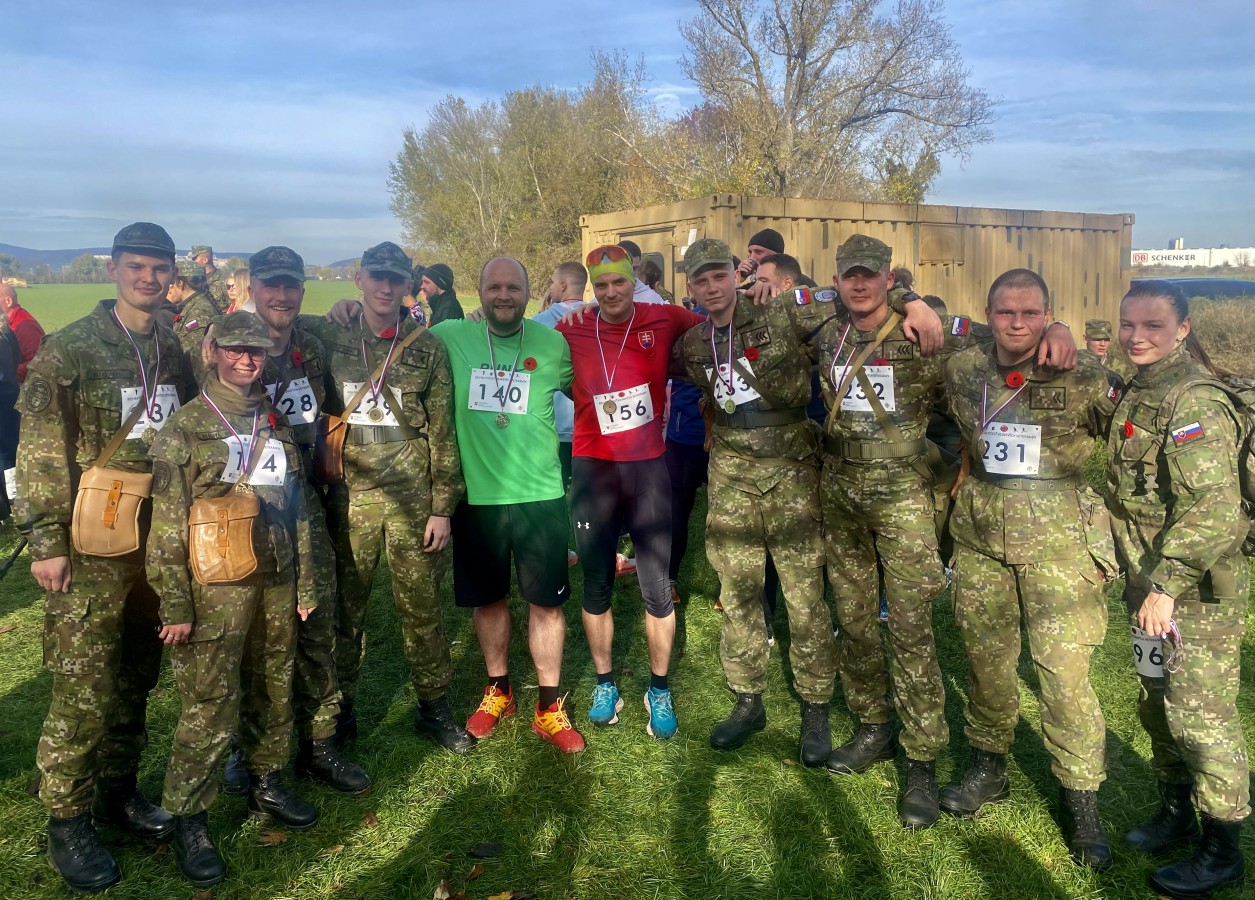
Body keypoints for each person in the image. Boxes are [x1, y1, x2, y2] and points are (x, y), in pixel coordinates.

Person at [819, 234, 1077, 829]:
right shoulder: (823, 324)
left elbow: (1010, 331)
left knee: (911, 630)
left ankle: (921, 760)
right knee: (855, 621)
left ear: (889, 279)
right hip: (841, 492)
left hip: (904, 498)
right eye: (850, 274)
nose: (859, 284)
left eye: (871, 275)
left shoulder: (930, 329)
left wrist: (1059, 326)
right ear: (836, 279)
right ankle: (873, 726)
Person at [15, 222, 197, 894]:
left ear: (172, 275)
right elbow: (39, 448)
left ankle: (119, 792)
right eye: (136, 266)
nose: (148, 278)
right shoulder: (71, 349)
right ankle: (67, 817)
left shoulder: (175, 347)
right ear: (114, 269)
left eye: (159, 268)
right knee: (83, 686)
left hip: (158, 541)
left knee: (137, 675)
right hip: (91, 544)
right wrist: (45, 541)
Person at [939, 269, 1117, 869]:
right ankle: (989, 767)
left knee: (1063, 675)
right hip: (981, 536)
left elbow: (1129, 435)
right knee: (986, 663)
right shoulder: (964, 367)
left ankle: (1081, 797)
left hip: (1059, 544)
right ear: (988, 313)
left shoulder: (1083, 374)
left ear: (1047, 314)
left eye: (1032, 314)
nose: (1018, 324)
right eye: (1006, 312)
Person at [147, 312, 326, 887]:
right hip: (215, 586)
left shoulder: (273, 419)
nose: (247, 359)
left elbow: (297, 508)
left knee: (274, 681)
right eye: (235, 349)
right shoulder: (186, 427)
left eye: (256, 350)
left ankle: (266, 779)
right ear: (213, 351)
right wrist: (175, 605)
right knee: (210, 700)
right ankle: (189, 817)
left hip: (275, 574)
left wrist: (305, 582)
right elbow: (166, 527)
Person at [1107, 280, 1249, 899]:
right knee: (1156, 700)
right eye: (1128, 325)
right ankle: (1176, 811)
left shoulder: (1193, 400)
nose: (1136, 337)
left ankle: (1223, 848)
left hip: (1192, 594)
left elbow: (1215, 508)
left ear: (1183, 329)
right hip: (1149, 587)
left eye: (1153, 326)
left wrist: (1165, 585)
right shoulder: (1141, 387)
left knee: (1201, 716)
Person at [302, 242, 472, 753]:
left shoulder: (427, 347)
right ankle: (339, 710)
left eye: (395, 279)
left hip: (412, 500)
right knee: (344, 611)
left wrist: (442, 508)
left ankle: (433, 705)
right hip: (349, 497)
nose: (384, 287)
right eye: (376, 276)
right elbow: (270, 324)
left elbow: (443, 432)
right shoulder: (330, 333)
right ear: (359, 279)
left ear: (408, 286)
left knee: (422, 610)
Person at [676, 238, 840, 763]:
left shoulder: (780, 311)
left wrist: (913, 303)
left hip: (790, 469)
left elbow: (852, 298)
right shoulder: (694, 343)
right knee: (739, 590)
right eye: (700, 280)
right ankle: (748, 700)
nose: (711, 287)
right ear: (690, 287)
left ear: (736, 275)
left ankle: (816, 707)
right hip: (731, 476)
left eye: (719, 275)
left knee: (804, 594)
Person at [220, 246, 368, 796]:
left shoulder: (314, 340)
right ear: (252, 288)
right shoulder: (227, 347)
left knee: (317, 626)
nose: (281, 296)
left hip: (308, 506)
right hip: (247, 512)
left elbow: (353, 323)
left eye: (291, 286)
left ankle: (319, 745)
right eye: (271, 285)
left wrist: (350, 306)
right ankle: (247, 747)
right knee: (253, 636)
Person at [432, 257, 584, 752]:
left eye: (513, 287)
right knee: (488, 599)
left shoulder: (552, 342)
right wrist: (346, 311)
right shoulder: (453, 334)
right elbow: (393, 341)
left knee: (547, 604)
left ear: (528, 292)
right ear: (478, 292)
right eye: (494, 287)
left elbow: (590, 388)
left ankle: (549, 706)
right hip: (478, 498)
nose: (503, 295)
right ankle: (499, 691)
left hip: (541, 495)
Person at [555, 245, 705, 739]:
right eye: (601, 285)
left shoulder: (663, 317)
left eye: (619, 282)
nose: (611, 292)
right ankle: (605, 684)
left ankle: (658, 688)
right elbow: (515, 337)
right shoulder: (572, 325)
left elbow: (717, 322)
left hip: (647, 470)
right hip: (593, 469)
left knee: (657, 587)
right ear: (591, 289)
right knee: (596, 581)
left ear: (633, 280)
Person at [533, 262, 587, 488]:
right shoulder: (596, 318)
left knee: (554, 488)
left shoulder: (539, 323)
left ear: (563, 285)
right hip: (588, 423)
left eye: (553, 283)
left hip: (553, 423)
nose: (552, 288)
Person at [171, 260, 225, 361]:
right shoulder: (195, 305)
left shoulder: (200, 312)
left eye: (172, 283)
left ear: (180, 283)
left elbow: (197, 358)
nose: (171, 287)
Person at [0, 282, 45, 382]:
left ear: (8, 301)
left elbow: (37, 361)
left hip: (20, 384)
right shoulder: (6, 323)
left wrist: (10, 371)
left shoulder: (26, 325)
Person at [615, 240, 666, 305]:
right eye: (626, 268)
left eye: (634, 268)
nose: (631, 273)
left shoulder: (652, 299)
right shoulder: (605, 294)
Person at [191, 244, 230, 310]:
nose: (193, 262)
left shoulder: (223, 280)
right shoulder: (194, 280)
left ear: (205, 260)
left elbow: (232, 305)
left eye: (195, 259)